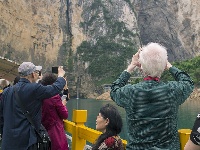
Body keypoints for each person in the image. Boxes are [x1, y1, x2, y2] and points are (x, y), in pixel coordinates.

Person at [110, 42, 194, 150]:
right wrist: (168, 65)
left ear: (141, 67)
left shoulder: (130, 92)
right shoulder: (172, 90)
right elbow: (188, 82)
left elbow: (114, 90)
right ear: (164, 67)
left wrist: (131, 66)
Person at [0, 62, 66, 150]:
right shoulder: (34, 89)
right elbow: (55, 88)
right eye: (36, 72)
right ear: (32, 74)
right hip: (27, 142)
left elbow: (1, 117)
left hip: (8, 142)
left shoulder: (6, 92)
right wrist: (61, 76)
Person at [40, 73, 69, 150]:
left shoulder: (39, 95)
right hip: (55, 133)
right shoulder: (54, 97)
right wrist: (63, 104)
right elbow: (65, 115)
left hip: (43, 131)